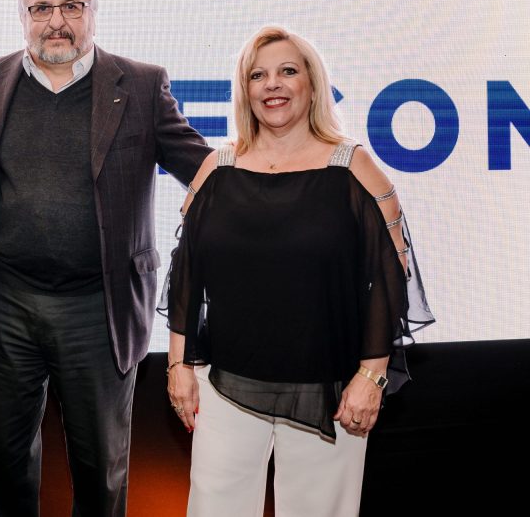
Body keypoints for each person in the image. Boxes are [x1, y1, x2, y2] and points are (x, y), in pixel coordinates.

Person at [0, 0, 210, 517]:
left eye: (71, 6)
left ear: (93, 12)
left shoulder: (140, 84)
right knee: (0, 465)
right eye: (41, 8)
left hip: (99, 307)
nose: (56, 22)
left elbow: (205, 171)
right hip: (7, 303)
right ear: (22, 16)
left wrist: (293, 169)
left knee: (102, 470)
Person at [164, 26, 435, 516]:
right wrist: (178, 366)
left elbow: (391, 279)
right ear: (244, 90)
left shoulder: (354, 168)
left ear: (313, 83)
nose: (273, 84)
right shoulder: (217, 168)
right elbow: (186, 276)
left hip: (330, 388)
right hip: (226, 385)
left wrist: (370, 378)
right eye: (258, 75)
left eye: (288, 71)